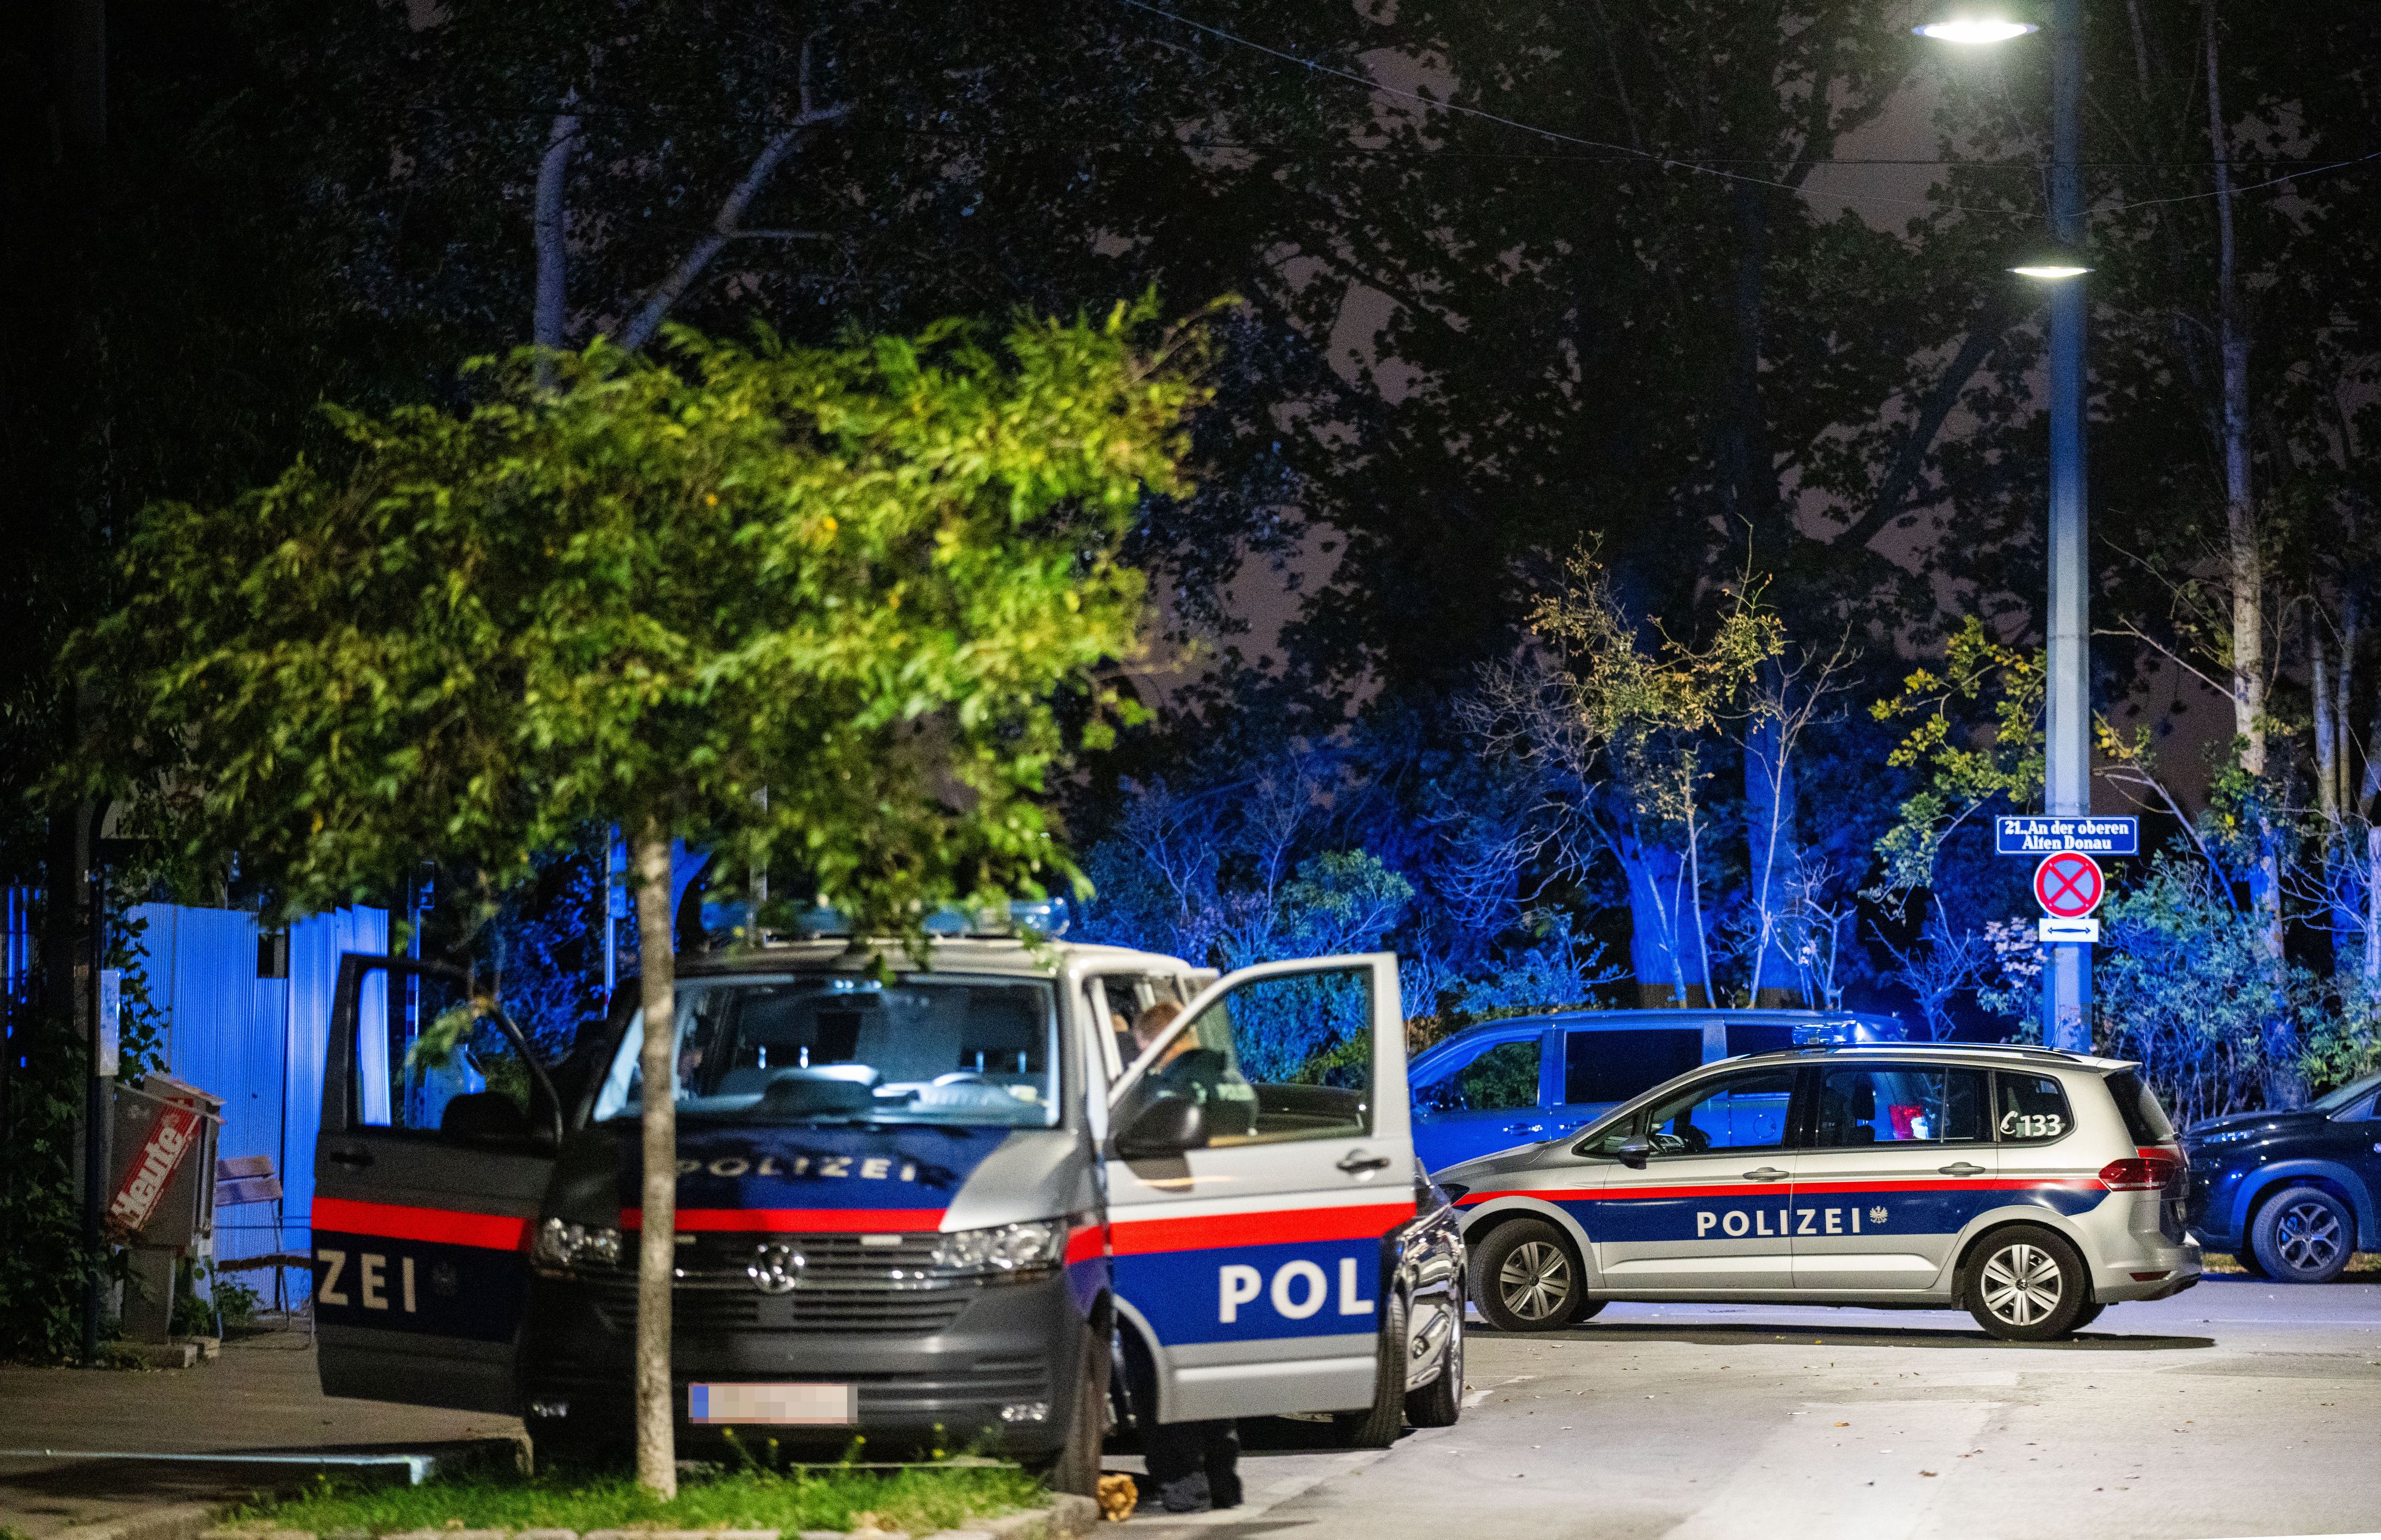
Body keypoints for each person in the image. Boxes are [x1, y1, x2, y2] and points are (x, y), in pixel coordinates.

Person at [1121, 997, 1243, 1513]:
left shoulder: (1174, 1086)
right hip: (1222, 1237)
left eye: (1143, 1050)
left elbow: (1142, 1144)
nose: (1141, 1061)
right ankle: (1222, 1480)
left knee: (1155, 1369)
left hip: (1173, 1236)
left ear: (1161, 1042)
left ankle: (1182, 1484)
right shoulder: (1230, 1078)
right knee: (1210, 1367)